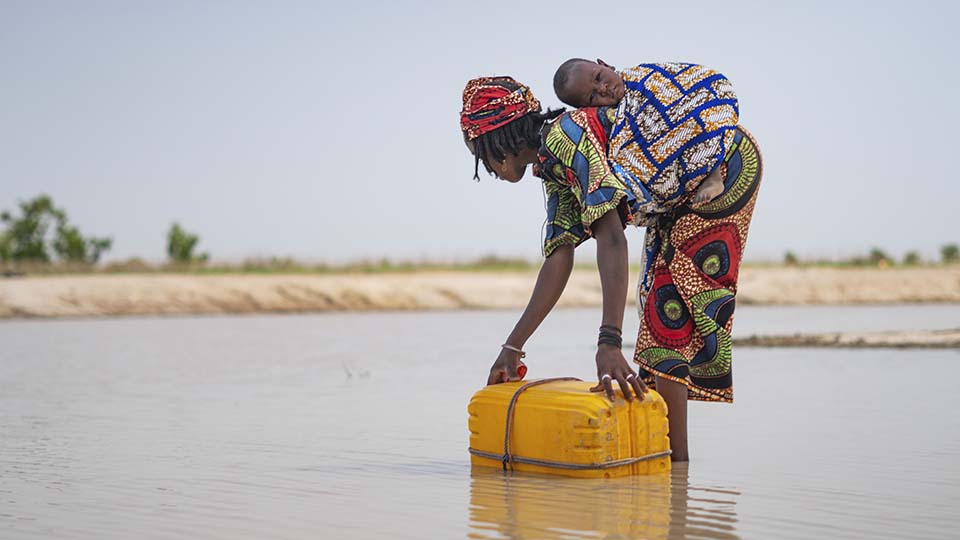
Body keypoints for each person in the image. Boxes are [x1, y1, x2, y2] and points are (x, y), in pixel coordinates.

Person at [459, 75, 763, 461]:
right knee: (657, 308)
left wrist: (608, 343)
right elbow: (558, 258)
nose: (488, 169)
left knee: (667, 308)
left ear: (498, 138)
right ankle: (669, 463)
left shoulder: (566, 136)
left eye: (481, 155)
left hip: (724, 164)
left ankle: (675, 469)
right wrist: (512, 348)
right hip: (679, 196)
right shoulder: (553, 167)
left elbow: (612, 238)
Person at [553, 59, 738, 206]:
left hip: (702, 121)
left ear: (605, 64)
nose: (604, 89)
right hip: (669, 158)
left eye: (599, 77)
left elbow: (687, 78)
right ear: (587, 108)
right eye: (593, 96)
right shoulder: (612, 119)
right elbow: (624, 149)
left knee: (701, 110)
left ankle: (714, 175)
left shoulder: (644, 75)